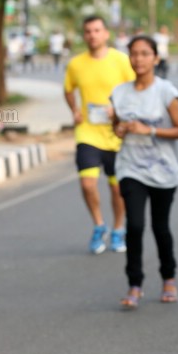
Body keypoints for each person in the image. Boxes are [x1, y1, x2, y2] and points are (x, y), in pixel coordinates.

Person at [110, 35, 178, 309]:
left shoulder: (166, 91)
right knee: (134, 226)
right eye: (134, 54)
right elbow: (116, 128)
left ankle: (169, 277)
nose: (139, 59)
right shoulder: (119, 93)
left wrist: (150, 130)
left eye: (145, 53)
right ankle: (134, 283)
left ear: (155, 58)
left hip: (163, 170)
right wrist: (119, 129)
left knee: (159, 227)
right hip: (130, 167)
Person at [64, 15, 137, 254]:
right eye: (88, 31)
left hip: (116, 135)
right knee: (87, 184)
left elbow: (135, 89)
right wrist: (74, 110)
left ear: (106, 33)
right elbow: (68, 89)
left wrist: (119, 110)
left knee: (117, 189)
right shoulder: (76, 64)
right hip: (88, 133)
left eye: (97, 30)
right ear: (84, 36)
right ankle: (98, 225)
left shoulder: (121, 61)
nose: (93, 35)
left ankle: (118, 229)